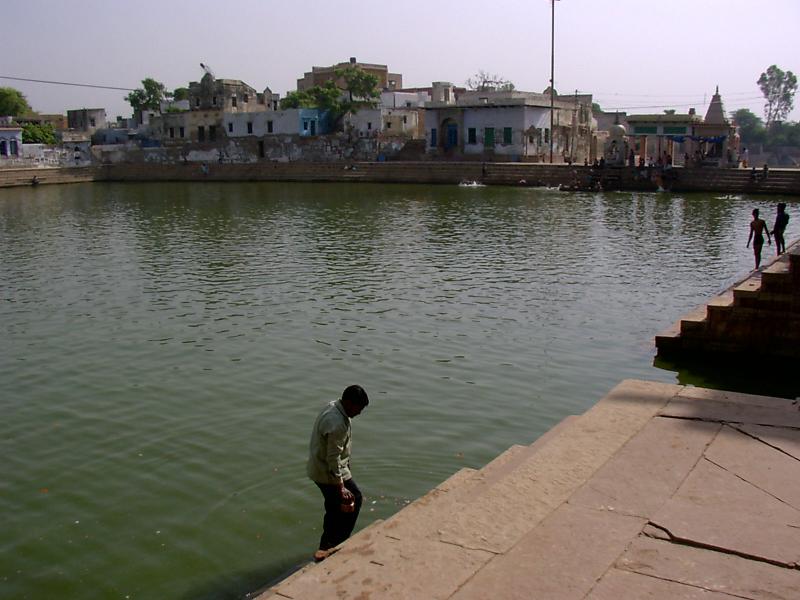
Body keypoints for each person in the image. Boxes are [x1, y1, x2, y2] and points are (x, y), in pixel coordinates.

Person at [307, 384, 369, 562]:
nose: (359, 413)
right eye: (358, 408)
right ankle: (332, 545)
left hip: (328, 467)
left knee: (338, 507)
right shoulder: (337, 423)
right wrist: (341, 486)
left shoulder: (335, 407)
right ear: (349, 403)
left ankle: (330, 544)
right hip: (327, 471)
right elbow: (332, 458)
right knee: (349, 500)